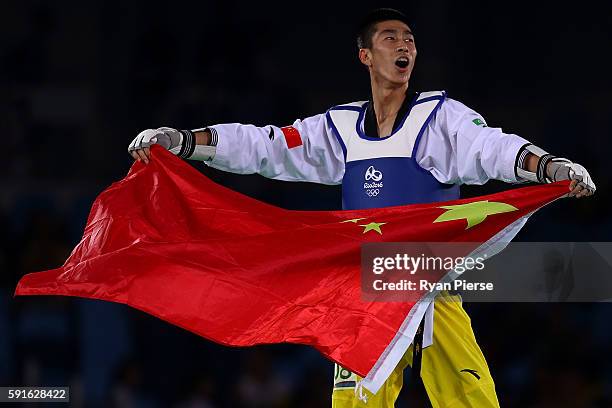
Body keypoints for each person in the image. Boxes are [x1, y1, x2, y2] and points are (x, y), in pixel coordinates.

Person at [127, 8, 595, 407]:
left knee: (472, 399)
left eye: (409, 38)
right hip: (365, 291)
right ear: (366, 56)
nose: (403, 44)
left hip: (431, 285)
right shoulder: (340, 128)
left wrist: (549, 166)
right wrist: (186, 141)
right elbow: (266, 144)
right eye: (390, 37)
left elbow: (492, 147)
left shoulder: (440, 118)